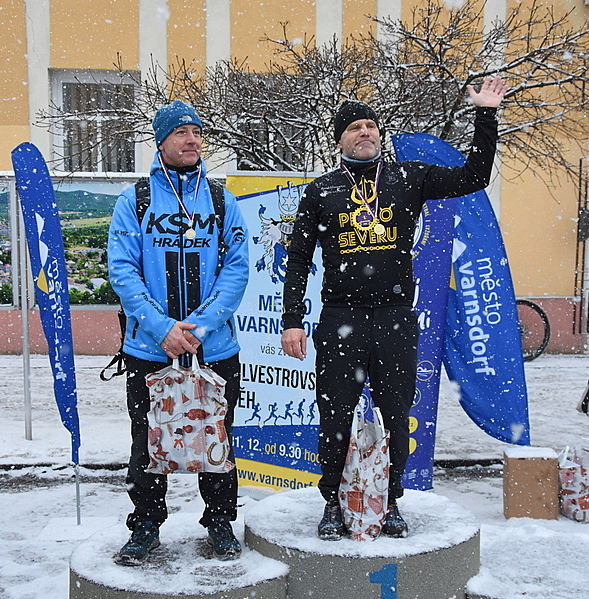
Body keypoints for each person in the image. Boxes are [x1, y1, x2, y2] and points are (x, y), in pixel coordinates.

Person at [280, 77, 507, 539]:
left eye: (371, 125)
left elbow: (474, 176)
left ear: (379, 135)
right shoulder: (321, 190)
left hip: (395, 318)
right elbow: (299, 258)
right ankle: (332, 501)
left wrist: (485, 115)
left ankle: (391, 498)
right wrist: (292, 320)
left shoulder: (409, 177)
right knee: (336, 416)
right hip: (341, 317)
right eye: (354, 127)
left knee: (395, 413)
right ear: (339, 140)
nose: (364, 132)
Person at [108, 100, 249, 564]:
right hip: (150, 348)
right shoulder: (135, 200)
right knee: (147, 438)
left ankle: (220, 521)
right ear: (161, 141)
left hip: (215, 347)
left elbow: (237, 269)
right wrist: (163, 328)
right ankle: (146, 524)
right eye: (181, 132)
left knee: (218, 435)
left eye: (197, 131)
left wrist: (201, 326)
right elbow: (123, 271)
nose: (192, 140)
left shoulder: (222, 200)